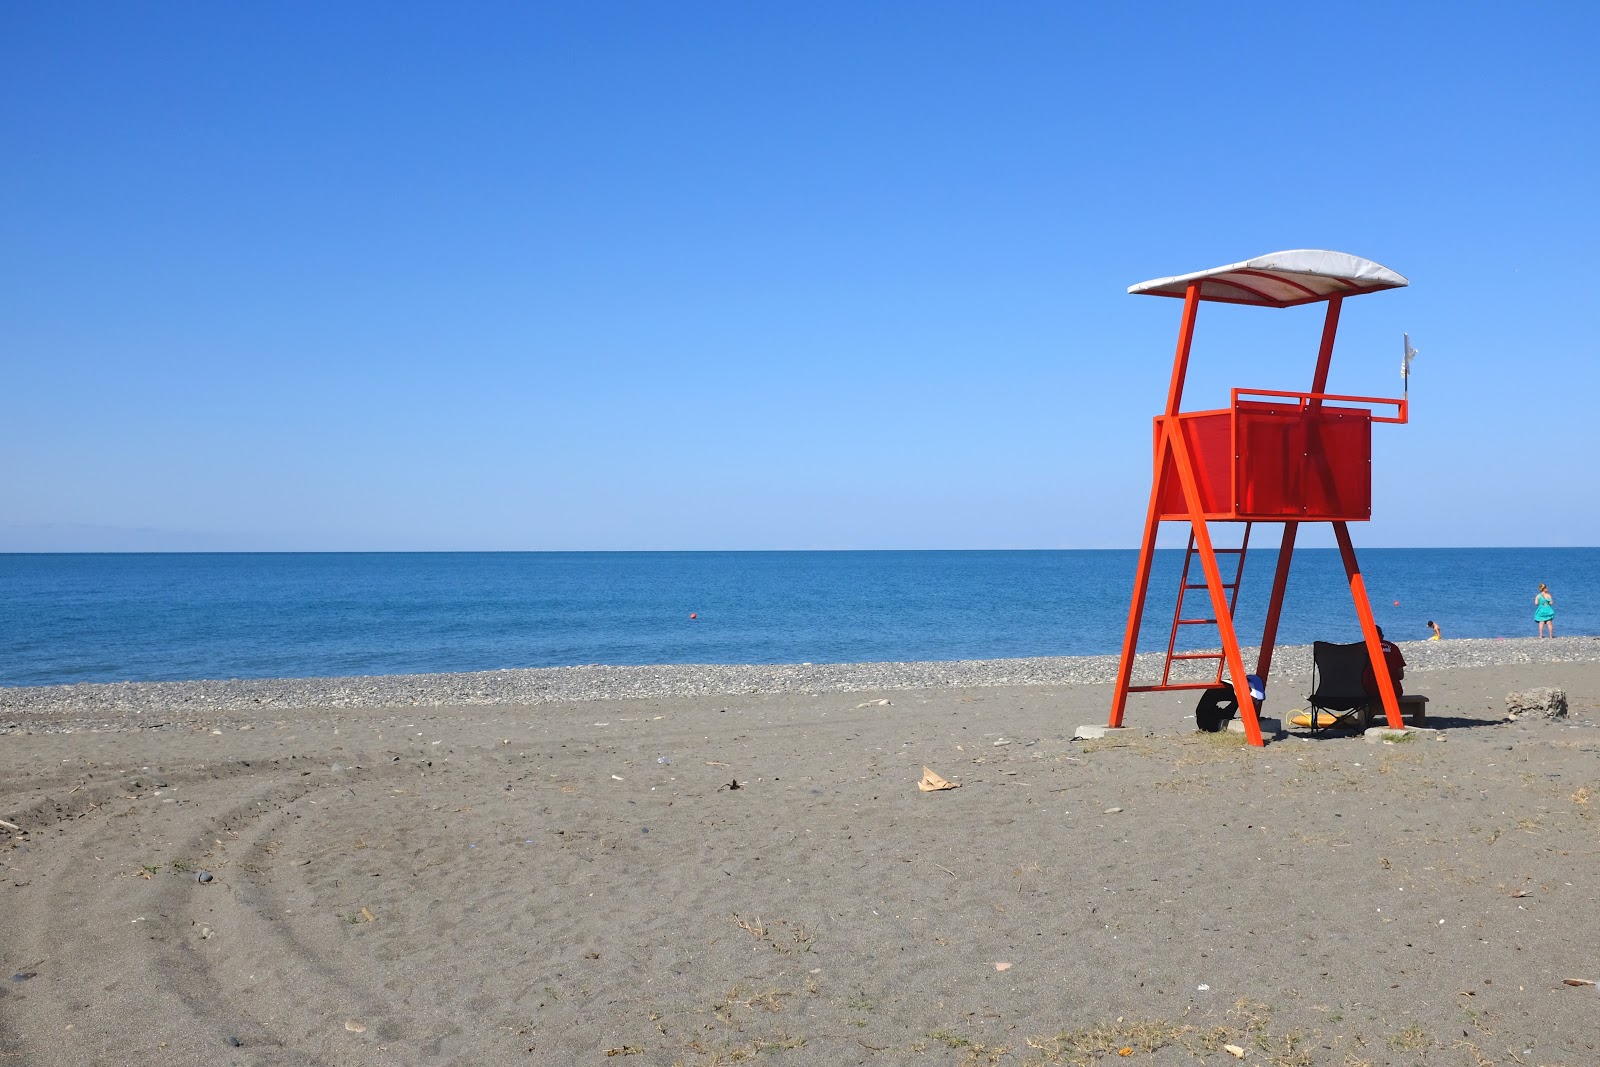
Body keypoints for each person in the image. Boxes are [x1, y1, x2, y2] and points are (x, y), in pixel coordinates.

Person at [1362, 625, 1405, 698]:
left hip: (1370, 691)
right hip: (1393, 691)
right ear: (1382, 636)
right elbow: (1401, 675)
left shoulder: (1363, 648)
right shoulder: (1393, 647)